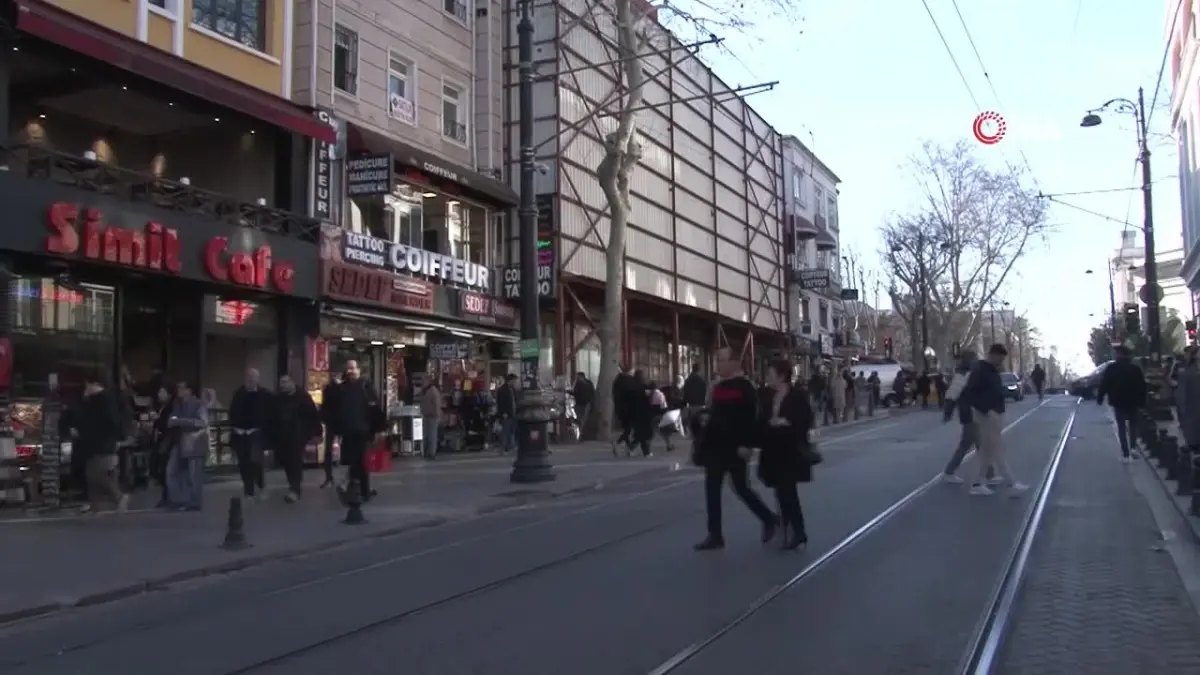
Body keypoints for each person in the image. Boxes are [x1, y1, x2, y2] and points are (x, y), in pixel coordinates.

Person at [694, 347, 778, 551]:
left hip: (736, 446)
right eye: (717, 360)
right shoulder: (716, 386)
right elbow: (713, 411)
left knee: (741, 487)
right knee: (712, 489)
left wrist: (747, 444)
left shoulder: (745, 387)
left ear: (733, 363)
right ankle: (715, 534)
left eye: (721, 360)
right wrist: (704, 417)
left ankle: (769, 518)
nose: (718, 365)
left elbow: (751, 418)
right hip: (715, 445)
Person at [756, 359, 813, 550]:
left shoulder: (797, 396)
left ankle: (798, 531)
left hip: (791, 451)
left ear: (781, 376)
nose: (768, 378)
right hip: (772, 452)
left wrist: (785, 423)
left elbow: (804, 421)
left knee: (788, 492)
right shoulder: (766, 395)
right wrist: (771, 424)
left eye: (771, 374)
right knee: (782, 493)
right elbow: (761, 421)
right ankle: (790, 529)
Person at [961, 344, 1028, 496]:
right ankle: (1011, 482)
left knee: (987, 450)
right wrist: (986, 410)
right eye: (1000, 358)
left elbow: (994, 390)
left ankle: (979, 482)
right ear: (992, 355)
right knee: (997, 448)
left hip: (993, 412)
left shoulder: (991, 370)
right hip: (987, 414)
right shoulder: (980, 370)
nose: (1001, 361)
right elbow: (971, 393)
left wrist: (1002, 395)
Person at [71, 372, 127, 514]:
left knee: (98, 473)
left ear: (94, 384)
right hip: (94, 442)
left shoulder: (105, 399)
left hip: (103, 443)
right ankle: (96, 504)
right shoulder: (93, 400)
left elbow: (110, 421)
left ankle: (119, 496)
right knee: (91, 474)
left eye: (87, 385)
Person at [940, 351, 994, 484]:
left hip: (973, 412)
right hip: (969, 413)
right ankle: (988, 474)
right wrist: (948, 413)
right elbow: (952, 395)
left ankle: (988, 473)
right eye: (974, 359)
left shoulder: (971, 374)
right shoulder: (962, 375)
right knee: (978, 443)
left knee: (970, 443)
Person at [333, 360, 384, 501]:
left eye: (353, 368)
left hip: (364, 431)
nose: (351, 371)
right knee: (352, 461)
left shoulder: (366, 387)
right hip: (349, 430)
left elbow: (375, 408)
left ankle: (362, 490)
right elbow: (336, 409)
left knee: (362, 461)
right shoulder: (342, 389)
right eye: (348, 368)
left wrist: (378, 428)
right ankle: (358, 489)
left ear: (359, 370)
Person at [268, 374, 320, 503]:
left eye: (285, 382)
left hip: (298, 435)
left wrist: (315, 433)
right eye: (281, 383)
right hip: (283, 436)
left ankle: (295, 489)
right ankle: (292, 484)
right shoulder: (278, 398)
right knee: (286, 462)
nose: (283, 385)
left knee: (295, 461)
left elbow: (313, 415)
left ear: (292, 383)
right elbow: (272, 416)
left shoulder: (302, 397)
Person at [1096, 344, 1148, 462]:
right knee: (1133, 425)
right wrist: (1142, 402)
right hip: (1133, 402)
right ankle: (1133, 447)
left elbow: (1105, 383)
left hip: (1118, 402)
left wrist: (1100, 397)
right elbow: (1142, 386)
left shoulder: (1112, 368)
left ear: (1119, 355)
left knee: (1121, 427)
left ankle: (1125, 454)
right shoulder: (1135, 369)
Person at [227, 368, 272, 501]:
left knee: (255, 461)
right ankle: (249, 490)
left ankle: (261, 484)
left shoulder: (264, 394)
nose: (251, 380)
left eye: (254, 377)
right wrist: (234, 427)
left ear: (258, 379)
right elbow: (233, 411)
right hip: (240, 433)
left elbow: (269, 414)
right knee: (243, 463)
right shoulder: (239, 393)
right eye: (249, 377)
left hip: (256, 433)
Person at [165, 380, 209, 512]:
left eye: (182, 388)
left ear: (189, 390)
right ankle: (177, 499)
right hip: (180, 441)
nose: (179, 391)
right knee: (171, 470)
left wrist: (180, 421)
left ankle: (194, 501)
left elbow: (202, 422)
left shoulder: (198, 404)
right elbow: (171, 419)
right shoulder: (177, 404)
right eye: (178, 388)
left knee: (193, 473)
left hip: (194, 441)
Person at [319, 372, 342, 488]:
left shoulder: (329, 389)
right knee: (330, 449)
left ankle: (329, 477)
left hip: (333, 422)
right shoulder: (339, 389)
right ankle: (330, 476)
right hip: (337, 421)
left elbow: (324, 405)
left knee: (328, 450)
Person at [612, 364, 637, 454]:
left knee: (627, 429)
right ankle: (619, 443)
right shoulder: (629, 381)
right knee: (629, 429)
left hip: (620, 409)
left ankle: (628, 448)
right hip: (629, 409)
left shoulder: (617, 380)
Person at [420, 377, 443, 458]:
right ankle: (426, 450)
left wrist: (437, 415)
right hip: (426, 415)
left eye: (423, 381)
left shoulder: (433, 391)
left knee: (432, 435)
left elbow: (437, 404)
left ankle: (431, 452)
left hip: (433, 416)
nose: (422, 383)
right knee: (426, 434)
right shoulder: (424, 391)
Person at [496, 374, 518, 455]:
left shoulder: (512, 389)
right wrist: (503, 413)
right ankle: (503, 448)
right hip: (507, 414)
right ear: (510, 380)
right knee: (505, 431)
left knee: (511, 431)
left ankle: (509, 447)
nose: (515, 382)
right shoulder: (502, 390)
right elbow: (501, 403)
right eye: (514, 380)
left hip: (513, 413)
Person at [571, 372, 594, 437]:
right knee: (581, 418)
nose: (577, 378)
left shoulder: (586, 383)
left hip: (585, 403)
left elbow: (592, 393)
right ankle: (581, 432)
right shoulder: (580, 383)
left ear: (582, 376)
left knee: (583, 419)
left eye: (578, 377)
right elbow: (575, 392)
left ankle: (581, 433)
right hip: (581, 403)